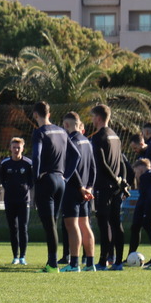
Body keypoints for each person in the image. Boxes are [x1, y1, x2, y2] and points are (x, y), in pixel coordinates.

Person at [30, 101, 80, 273]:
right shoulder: (61, 131)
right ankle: (52, 262)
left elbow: (36, 157)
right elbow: (76, 155)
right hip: (60, 181)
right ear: (49, 114)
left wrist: (35, 178)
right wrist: (66, 176)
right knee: (54, 222)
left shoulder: (39, 132)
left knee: (49, 224)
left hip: (47, 180)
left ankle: (52, 264)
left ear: (35, 115)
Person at [89, 104, 127, 271]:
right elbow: (122, 162)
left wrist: (116, 180)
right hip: (115, 188)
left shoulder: (98, 137)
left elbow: (102, 163)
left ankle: (103, 261)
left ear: (98, 118)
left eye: (92, 117)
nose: (91, 120)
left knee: (104, 224)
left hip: (104, 186)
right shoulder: (115, 136)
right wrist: (122, 181)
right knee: (116, 223)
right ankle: (118, 261)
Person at [60, 113, 96, 272]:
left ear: (67, 125)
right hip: (85, 192)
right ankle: (90, 263)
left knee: (72, 225)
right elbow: (94, 168)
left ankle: (74, 263)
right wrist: (89, 187)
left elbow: (71, 167)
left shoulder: (71, 142)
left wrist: (81, 187)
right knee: (85, 225)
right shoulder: (87, 141)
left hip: (73, 190)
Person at [126, 131, 151, 268]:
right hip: (143, 196)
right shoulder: (141, 157)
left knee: (149, 224)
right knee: (136, 226)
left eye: (135, 148)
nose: (134, 151)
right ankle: (131, 256)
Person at [0, 137, 33, 265]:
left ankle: (23, 256)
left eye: (18, 147)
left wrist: (26, 189)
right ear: (10, 148)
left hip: (24, 201)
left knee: (23, 228)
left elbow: (31, 180)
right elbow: (2, 178)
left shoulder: (28, 164)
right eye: (14, 147)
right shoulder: (5, 163)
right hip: (10, 200)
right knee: (13, 228)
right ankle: (15, 256)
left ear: (23, 148)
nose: (16, 150)